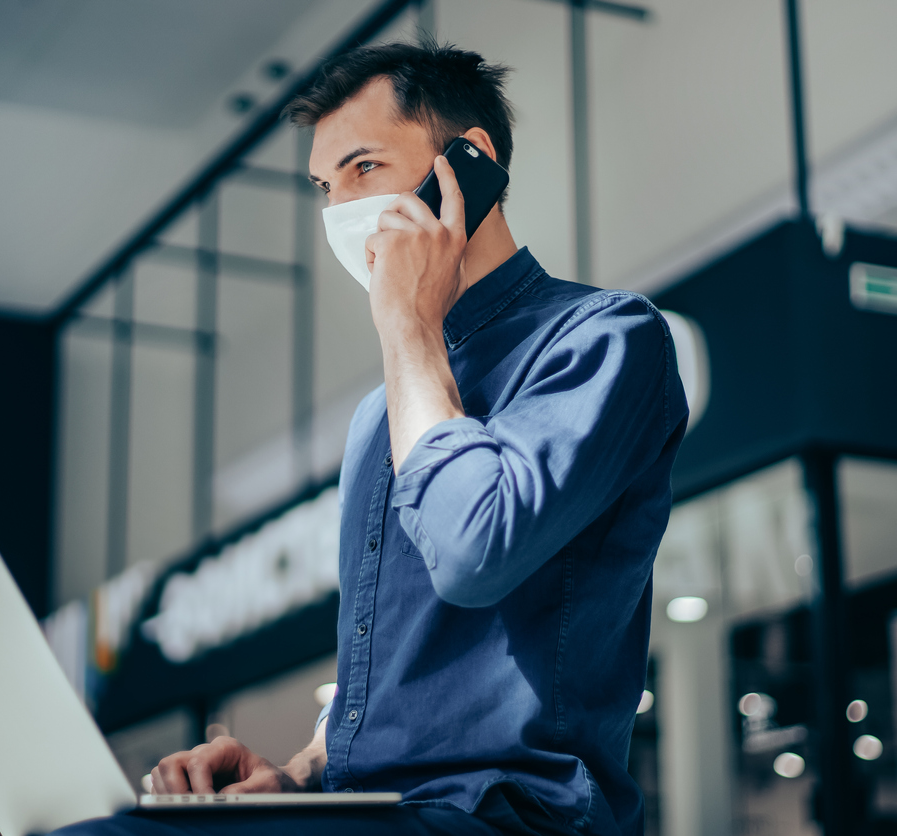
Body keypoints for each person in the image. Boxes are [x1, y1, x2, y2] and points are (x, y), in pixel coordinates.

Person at [54, 41, 687, 836]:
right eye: (325, 187)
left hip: (509, 816)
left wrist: (409, 325)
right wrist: (296, 774)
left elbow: (473, 552)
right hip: (378, 813)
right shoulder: (375, 417)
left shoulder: (602, 337)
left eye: (363, 169)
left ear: (469, 162)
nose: (339, 210)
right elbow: (389, 667)